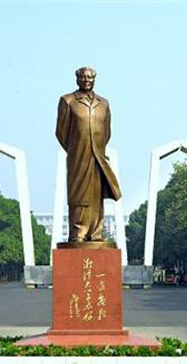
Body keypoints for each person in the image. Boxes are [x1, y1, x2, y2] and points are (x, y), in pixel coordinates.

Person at [55, 66, 122, 243]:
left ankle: (96, 232)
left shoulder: (104, 103)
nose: (86, 80)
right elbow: (61, 132)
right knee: (79, 193)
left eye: (90, 78)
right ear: (77, 79)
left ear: (94, 80)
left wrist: (97, 147)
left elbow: (107, 131)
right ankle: (78, 232)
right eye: (83, 77)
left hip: (98, 155)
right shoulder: (68, 101)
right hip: (78, 155)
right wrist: (75, 148)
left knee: (96, 194)